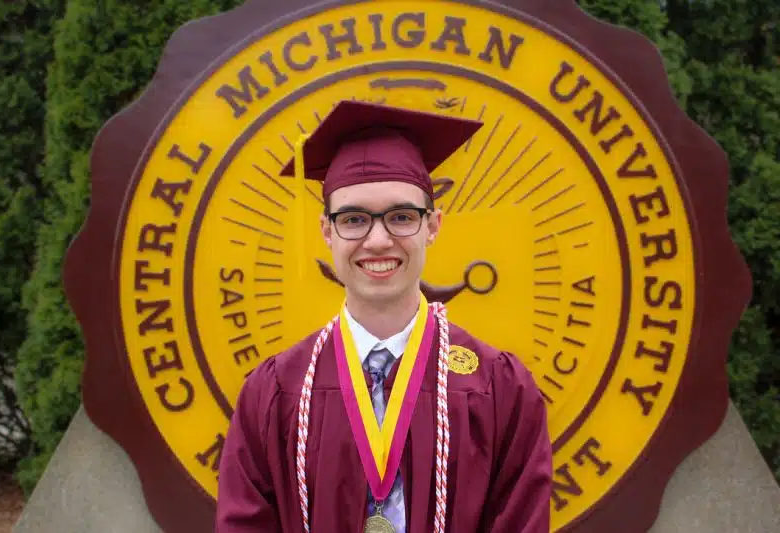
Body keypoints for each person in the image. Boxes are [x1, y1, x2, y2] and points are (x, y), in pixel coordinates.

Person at [215, 100, 553, 533]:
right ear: (326, 231)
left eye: (401, 217)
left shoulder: (499, 389)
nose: (378, 240)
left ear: (433, 225)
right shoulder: (275, 393)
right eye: (354, 219)